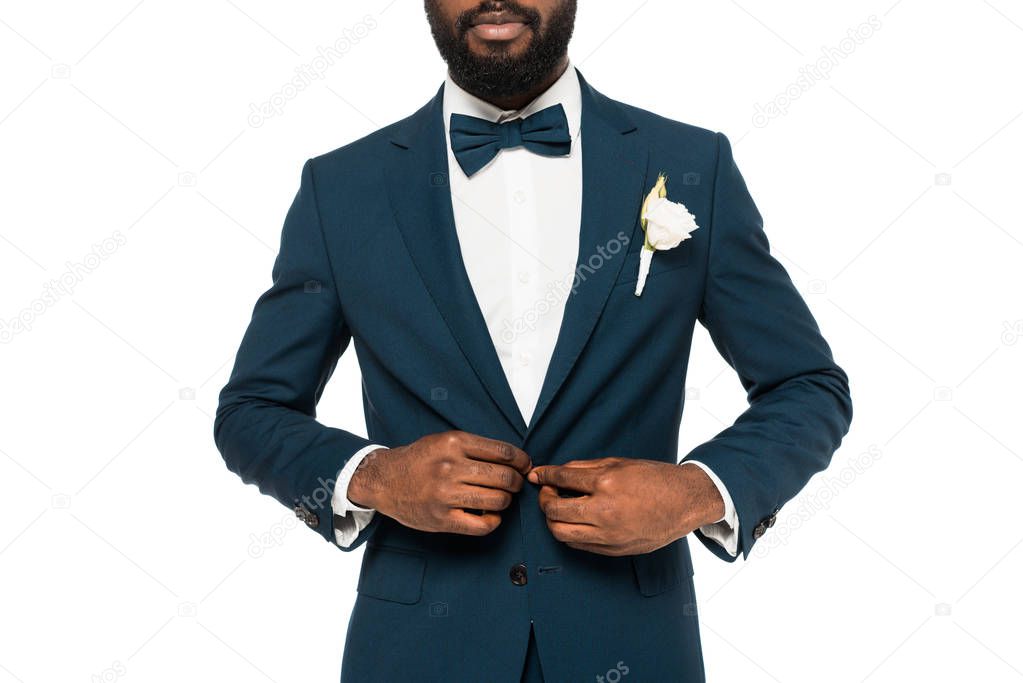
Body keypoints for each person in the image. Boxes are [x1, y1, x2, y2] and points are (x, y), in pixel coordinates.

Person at [214, 1, 853, 680]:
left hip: (632, 646)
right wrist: (374, 476)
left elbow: (805, 385)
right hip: (417, 652)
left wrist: (696, 490)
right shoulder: (340, 187)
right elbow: (252, 411)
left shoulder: (691, 162)